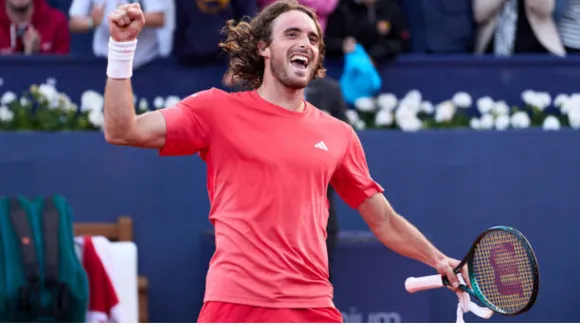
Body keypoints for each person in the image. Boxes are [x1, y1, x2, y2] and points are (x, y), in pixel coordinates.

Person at [102, 0, 469, 322]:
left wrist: (438, 260)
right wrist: (122, 48)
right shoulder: (215, 110)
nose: (305, 44)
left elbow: (384, 220)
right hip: (234, 304)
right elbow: (122, 130)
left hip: (312, 306)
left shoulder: (338, 135)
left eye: (313, 39)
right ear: (264, 47)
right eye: (292, 34)